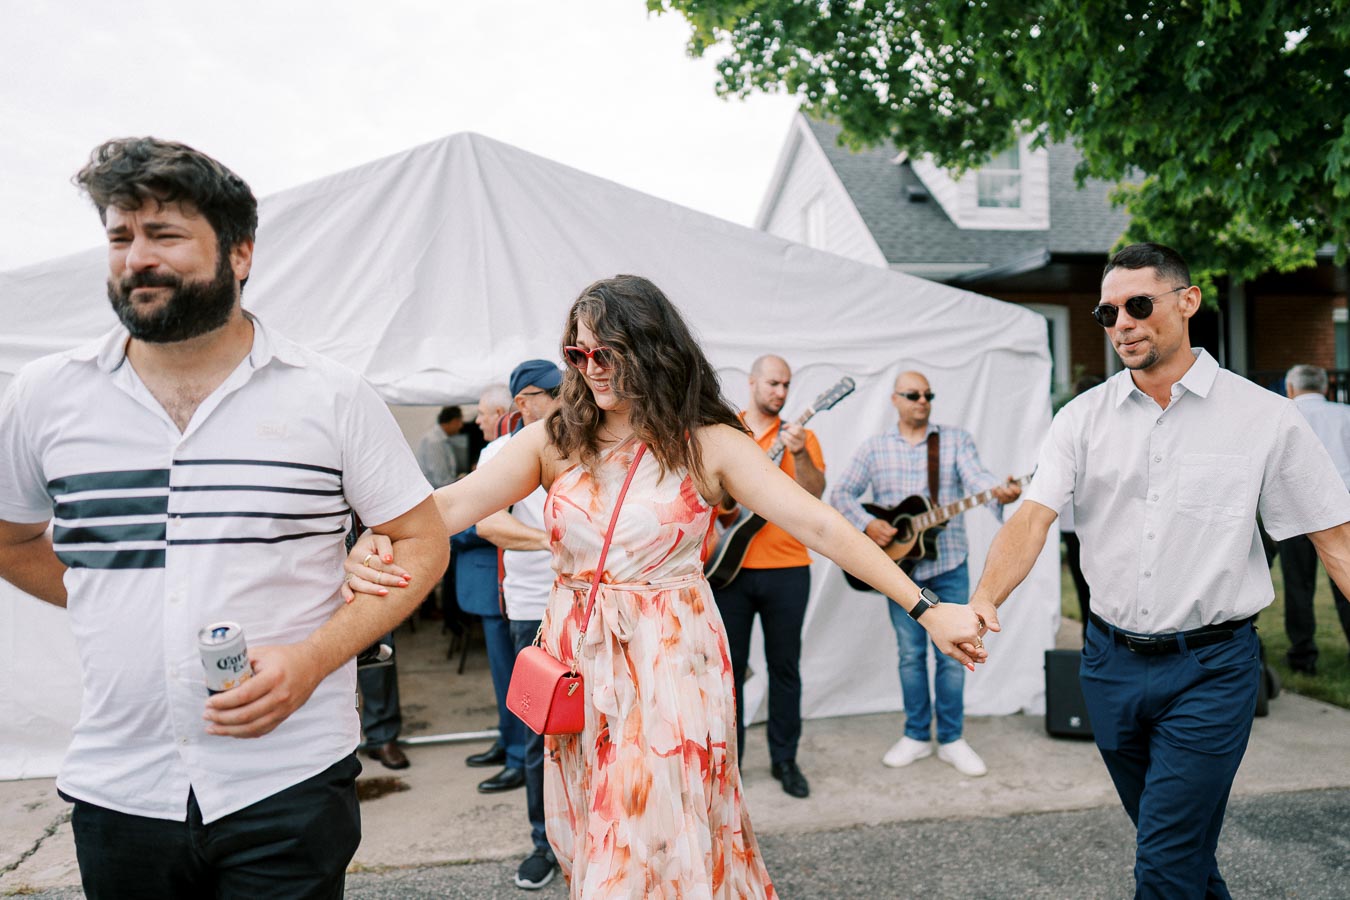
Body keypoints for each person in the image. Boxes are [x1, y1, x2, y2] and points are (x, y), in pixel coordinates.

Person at [345, 275, 986, 898]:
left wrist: (924, 607)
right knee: (599, 831)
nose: (591, 368)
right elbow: (451, 506)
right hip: (581, 661)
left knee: (648, 834)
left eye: (608, 353)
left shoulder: (709, 442)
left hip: (671, 662)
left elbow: (818, 521)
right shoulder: (555, 439)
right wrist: (381, 529)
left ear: (652, 350)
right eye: (579, 353)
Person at [0, 137, 448, 899]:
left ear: (240, 255)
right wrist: (106, 598)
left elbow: (422, 540)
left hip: (289, 779)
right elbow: (10, 540)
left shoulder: (328, 396)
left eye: (164, 234)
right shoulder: (46, 396)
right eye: (120, 236)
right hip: (122, 785)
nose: (136, 257)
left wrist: (312, 661)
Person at [968, 243, 1350, 898]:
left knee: (1164, 864)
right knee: (1180, 851)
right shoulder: (1081, 420)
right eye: (1107, 312)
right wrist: (984, 599)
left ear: (1188, 302)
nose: (1122, 323)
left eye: (1138, 305)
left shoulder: (1263, 417)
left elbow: (1335, 539)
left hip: (1211, 671)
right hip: (1108, 665)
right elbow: (1031, 517)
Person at [831, 370, 1021, 777]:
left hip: (950, 563)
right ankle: (917, 735)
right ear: (896, 400)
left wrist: (999, 491)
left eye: (928, 395)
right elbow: (841, 493)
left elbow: (978, 479)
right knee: (910, 655)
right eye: (914, 394)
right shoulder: (875, 448)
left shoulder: (953, 441)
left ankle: (951, 739)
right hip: (901, 575)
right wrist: (867, 523)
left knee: (957, 656)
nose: (923, 401)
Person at [713, 354, 825, 799]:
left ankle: (785, 759)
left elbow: (815, 494)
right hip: (728, 571)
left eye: (786, 385)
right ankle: (730, 766)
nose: (780, 392)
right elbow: (713, 497)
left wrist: (799, 454)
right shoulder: (727, 432)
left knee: (785, 668)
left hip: (788, 569)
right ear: (753, 382)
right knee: (729, 673)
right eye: (774, 383)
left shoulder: (803, 436)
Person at [475, 360, 565, 890]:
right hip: (534, 608)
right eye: (549, 393)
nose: (562, 398)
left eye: (563, 389)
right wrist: (557, 542)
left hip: (594, 604)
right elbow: (489, 522)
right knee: (539, 735)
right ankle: (543, 843)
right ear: (523, 403)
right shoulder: (497, 454)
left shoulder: (586, 444)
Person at [455, 383, 526, 781]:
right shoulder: (494, 453)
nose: (477, 421)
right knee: (502, 676)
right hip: (492, 584)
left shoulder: (507, 455)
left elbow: (485, 522)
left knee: (511, 675)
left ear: (502, 413)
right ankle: (507, 740)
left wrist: (448, 529)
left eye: (483, 413)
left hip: (504, 583)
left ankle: (518, 755)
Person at [1279, 364, 1350, 673]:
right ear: (1325, 388)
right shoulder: (1345, 414)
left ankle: (1302, 656)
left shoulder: (1281, 414)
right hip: (1344, 509)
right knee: (1346, 582)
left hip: (1294, 509)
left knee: (1298, 584)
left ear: (1291, 389)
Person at [417, 405, 465, 488]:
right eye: (460, 422)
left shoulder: (440, 439)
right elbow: (441, 480)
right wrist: (463, 480)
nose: (461, 426)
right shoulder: (435, 441)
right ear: (454, 421)